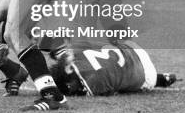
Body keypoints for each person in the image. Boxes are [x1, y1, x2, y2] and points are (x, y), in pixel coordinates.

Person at [48, 39, 177, 96]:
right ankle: (161, 78)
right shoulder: (74, 51)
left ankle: (160, 79)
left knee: (122, 82)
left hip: (146, 74)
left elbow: (72, 89)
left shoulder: (91, 83)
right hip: (132, 47)